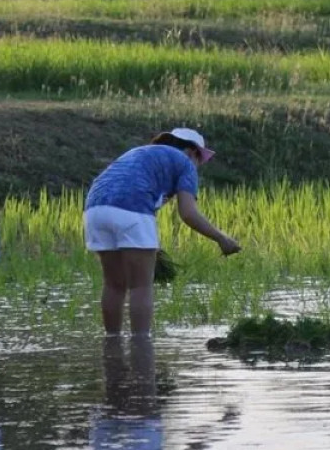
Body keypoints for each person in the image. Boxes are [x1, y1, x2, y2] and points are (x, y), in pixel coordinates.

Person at [83, 129, 241, 335]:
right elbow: (188, 213)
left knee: (114, 285)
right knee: (140, 287)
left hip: (94, 210)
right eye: (200, 159)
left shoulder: (139, 153)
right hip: (132, 210)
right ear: (191, 151)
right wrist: (222, 238)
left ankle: (112, 344)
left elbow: (128, 191)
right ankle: (141, 346)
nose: (199, 165)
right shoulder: (185, 163)